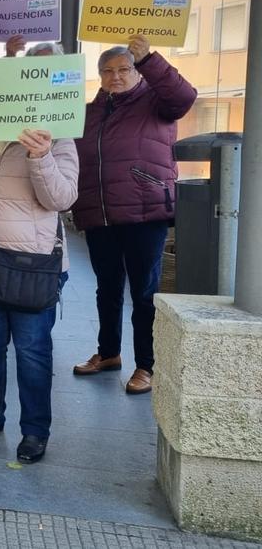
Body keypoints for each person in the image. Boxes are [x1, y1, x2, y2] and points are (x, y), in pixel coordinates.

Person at [70, 35, 196, 395]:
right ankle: (108, 353)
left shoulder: (157, 100)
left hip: (145, 213)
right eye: (108, 71)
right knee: (107, 288)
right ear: (100, 76)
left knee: (143, 292)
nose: (116, 76)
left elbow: (185, 97)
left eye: (124, 69)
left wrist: (149, 59)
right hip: (100, 213)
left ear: (137, 72)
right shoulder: (91, 110)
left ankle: (147, 366)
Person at [0, 129, 78, 463]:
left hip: (33, 264)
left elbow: (63, 199)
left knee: (32, 352)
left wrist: (41, 156)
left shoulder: (59, 138)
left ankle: (35, 431)